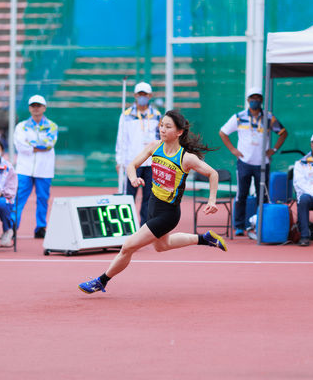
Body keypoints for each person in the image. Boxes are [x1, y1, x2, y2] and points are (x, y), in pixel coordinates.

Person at [78, 110, 227, 294]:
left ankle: (101, 281)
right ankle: (205, 239)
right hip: (152, 205)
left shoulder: (185, 158)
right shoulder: (154, 147)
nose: (162, 129)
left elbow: (213, 173)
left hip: (167, 214)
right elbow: (132, 165)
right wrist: (133, 178)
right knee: (161, 246)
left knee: (128, 246)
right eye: (161, 125)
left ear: (179, 132)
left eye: (167, 126)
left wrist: (211, 200)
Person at [219, 87, 288, 236]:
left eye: (257, 98)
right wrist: (233, 150)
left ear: (262, 100)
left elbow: (283, 133)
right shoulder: (239, 117)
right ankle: (239, 225)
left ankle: (261, 224)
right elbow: (223, 132)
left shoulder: (269, 118)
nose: (255, 101)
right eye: (252, 98)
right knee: (241, 194)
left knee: (262, 195)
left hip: (262, 163)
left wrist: (273, 150)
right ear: (247, 100)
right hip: (244, 162)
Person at [115, 82, 161, 225]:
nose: (142, 97)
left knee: (149, 197)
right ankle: (126, 227)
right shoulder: (126, 115)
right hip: (132, 162)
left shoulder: (157, 115)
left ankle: (144, 228)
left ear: (150, 96)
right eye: (140, 94)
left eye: (145, 95)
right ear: (135, 96)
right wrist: (120, 161)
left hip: (151, 162)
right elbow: (121, 139)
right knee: (128, 196)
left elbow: (160, 139)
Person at [14, 94, 58, 238]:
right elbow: (20, 145)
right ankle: (13, 225)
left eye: (38, 106)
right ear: (29, 108)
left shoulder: (52, 126)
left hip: (44, 169)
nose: (36, 108)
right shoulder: (21, 126)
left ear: (44, 108)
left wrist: (30, 145)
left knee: (42, 198)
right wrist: (35, 147)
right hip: (24, 168)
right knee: (19, 197)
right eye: (33, 106)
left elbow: (48, 144)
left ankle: (40, 227)